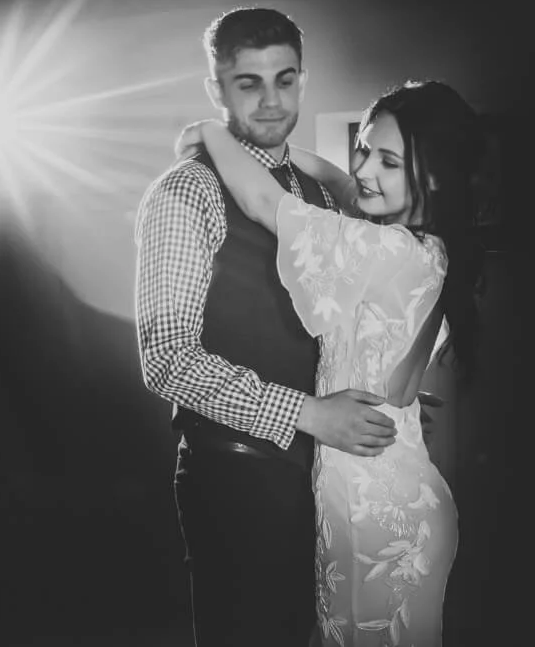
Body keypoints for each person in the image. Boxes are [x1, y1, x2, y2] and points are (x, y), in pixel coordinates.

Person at [174, 78, 485, 646]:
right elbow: (345, 184)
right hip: (375, 485)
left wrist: (212, 134)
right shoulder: (421, 244)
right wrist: (284, 155)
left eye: (389, 161)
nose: (366, 169)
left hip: (377, 507)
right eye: (363, 148)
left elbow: (264, 203)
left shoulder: (389, 251)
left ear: (434, 176)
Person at [134, 7, 399, 647]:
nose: (272, 99)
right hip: (238, 474)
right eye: (249, 82)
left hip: (331, 474)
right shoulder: (185, 192)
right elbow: (166, 358)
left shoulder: (322, 192)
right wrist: (307, 413)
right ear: (216, 88)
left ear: (303, 80)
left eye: (285, 79)